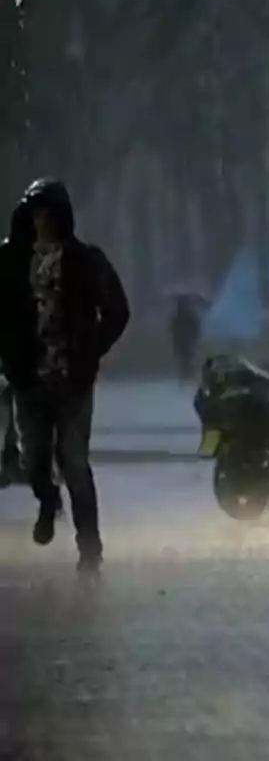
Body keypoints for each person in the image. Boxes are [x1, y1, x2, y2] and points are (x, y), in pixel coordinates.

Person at [0, 178, 130, 573]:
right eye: (36, 214)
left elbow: (117, 311)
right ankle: (47, 500)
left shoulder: (86, 261)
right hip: (27, 379)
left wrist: (92, 350)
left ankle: (89, 547)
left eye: (48, 214)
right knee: (33, 460)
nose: (42, 222)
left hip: (72, 379)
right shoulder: (8, 261)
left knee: (74, 461)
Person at [169, 294, 202, 382]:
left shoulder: (180, 317)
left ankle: (186, 380)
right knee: (186, 363)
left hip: (185, 343)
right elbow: (196, 329)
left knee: (185, 363)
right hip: (185, 343)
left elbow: (173, 330)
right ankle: (187, 379)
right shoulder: (189, 317)